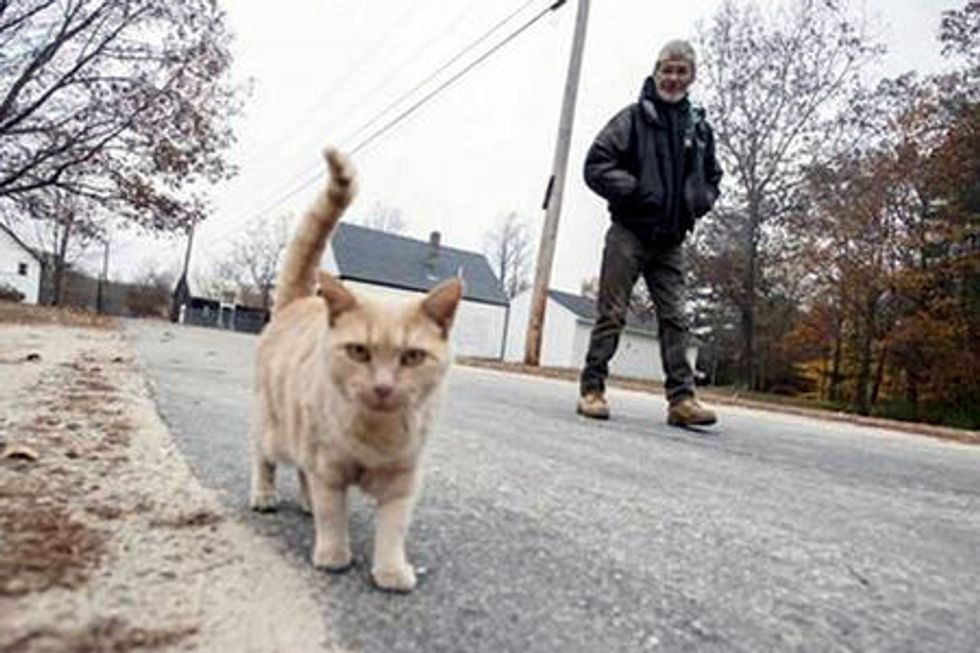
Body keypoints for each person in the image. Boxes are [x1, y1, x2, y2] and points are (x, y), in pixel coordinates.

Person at [576, 39, 722, 427]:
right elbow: (596, 164)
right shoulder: (632, 120)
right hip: (629, 232)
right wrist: (637, 191)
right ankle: (592, 390)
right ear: (656, 72)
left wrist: (698, 200)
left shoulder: (700, 128)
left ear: (691, 77)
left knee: (676, 319)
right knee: (611, 313)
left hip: (671, 239)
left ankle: (682, 401)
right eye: (667, 70)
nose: (672, 78)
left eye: (681, 72)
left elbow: (713, 178)